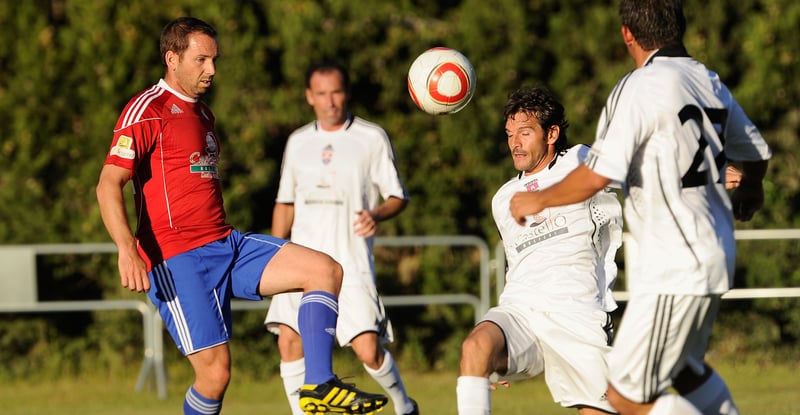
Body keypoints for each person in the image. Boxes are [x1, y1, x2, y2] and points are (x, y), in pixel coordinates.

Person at [95, 17, 387, 415]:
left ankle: (318, 384)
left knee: (324, 271)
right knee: (215, 376)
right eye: (201, 60)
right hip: (177, 257)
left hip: (226, 245)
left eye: (214, 60)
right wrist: (127, 249)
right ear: (172, 58)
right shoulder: (147, 110)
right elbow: (108, 184)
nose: (211, 70)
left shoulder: (204, 115)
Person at [508, 1, 772, 414]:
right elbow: (754, 152)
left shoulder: (637, 87)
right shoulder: (708, 80)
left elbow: (598, 174)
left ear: (627, 34)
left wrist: (538, 197)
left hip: (675, 264)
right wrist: (752, 189)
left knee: (625, 398)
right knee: (685, 372)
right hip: (714, 253)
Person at [456, 86, 622, 415]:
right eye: (509, 134)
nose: (514, 143)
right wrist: (491, 357)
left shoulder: (581, 161)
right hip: (522, 310)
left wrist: (714, 175)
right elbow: (517, 263)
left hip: (578, 313)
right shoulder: (503, 198)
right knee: (475, 347)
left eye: (525, 132)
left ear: (552, 133)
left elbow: (646, 173)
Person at [263, 61, 418, 415]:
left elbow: (397, 195)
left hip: (350, 262)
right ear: (309, 97)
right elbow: (284, 204)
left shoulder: (371, 137)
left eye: (336, 92)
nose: (329, 101)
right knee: (290, 343)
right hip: (299, 261)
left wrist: (376, 214)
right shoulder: (298, 141)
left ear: (345, 94)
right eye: (321, 94)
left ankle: (405, 406)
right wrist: (274, 253)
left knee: (368, 350)